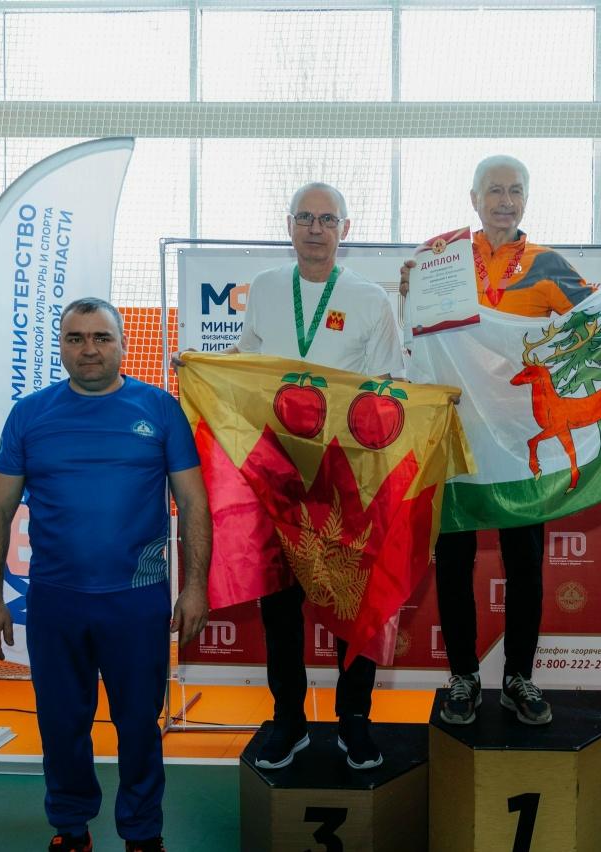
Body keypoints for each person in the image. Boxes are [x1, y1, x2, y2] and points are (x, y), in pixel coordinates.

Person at [178, 182, 404, 772]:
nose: (315, 228)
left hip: (344, 475)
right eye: (305, 217)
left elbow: (388, 388)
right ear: (289, 225)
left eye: (327, 219)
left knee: (353, 604)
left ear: (345, 229)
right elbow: (248, 361)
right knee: (280, 607)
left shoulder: (371, 300)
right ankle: (289, 720)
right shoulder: (268, 289)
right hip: (276, 473)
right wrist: (202, 366)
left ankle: (354, 720)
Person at [0, 297, 211, 852]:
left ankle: (142, 833)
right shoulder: (30, 415)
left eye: (101, 337)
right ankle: (71, 827)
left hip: (136, 601)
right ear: (61, 346)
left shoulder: (160, 409)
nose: (89, 349)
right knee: (61, 725)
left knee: (139, 725)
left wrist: (195, 586)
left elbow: (194, 503)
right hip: (55, 601)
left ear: (124, 344)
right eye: (76, 338)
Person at [401, 155, 592, 726]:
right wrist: (412, 290)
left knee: (525, 563)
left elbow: (595, 321)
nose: (505, 201)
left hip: (520, 441)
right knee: (454, 561)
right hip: (455, 435)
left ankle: (518, 678)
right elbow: (420, 337)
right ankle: (462, 675)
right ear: (474, 198)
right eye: (494, 191)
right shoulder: (443, 257)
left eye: (515, 191)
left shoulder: (548, 264)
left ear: (526, 199)